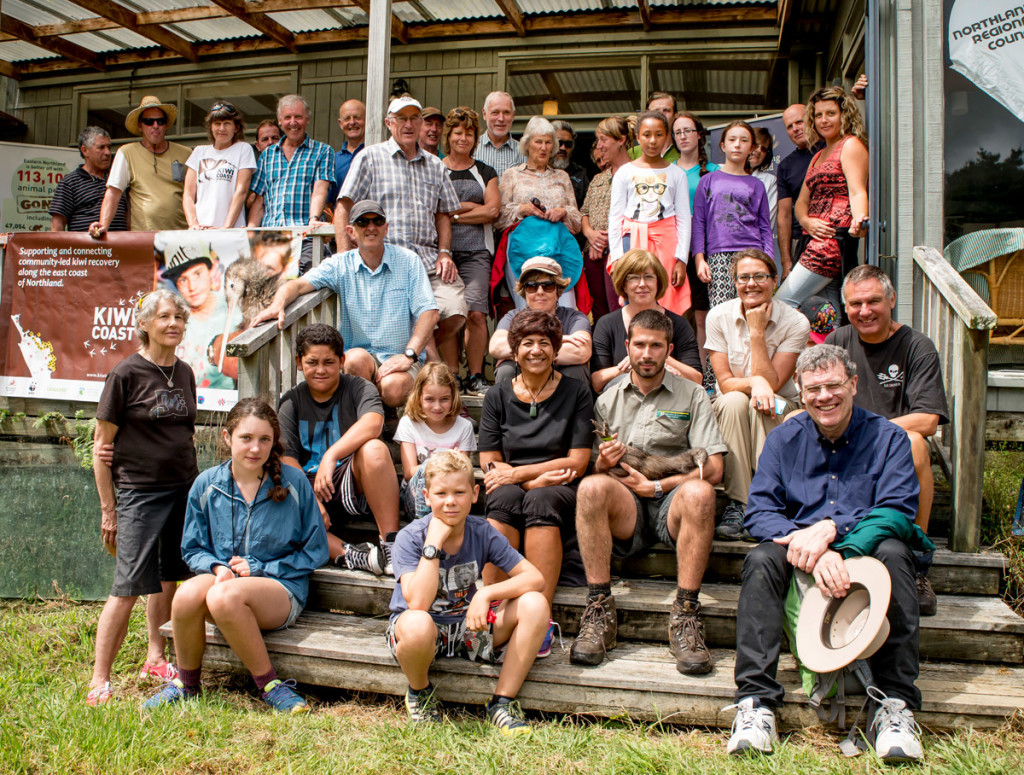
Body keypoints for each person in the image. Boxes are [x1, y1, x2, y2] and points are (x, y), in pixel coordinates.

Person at [727, 344, 925, 761]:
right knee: (762, 559)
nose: (824, 396)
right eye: (813, 388)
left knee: (895, 552)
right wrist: (812, 547)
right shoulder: (783, 439)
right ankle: (756, 704)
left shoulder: (888, 438)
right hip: (803, 549)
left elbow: (897, 509)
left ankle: (895, 704)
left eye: (834, 385)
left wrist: (835, 531)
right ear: (799, 390)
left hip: (867, 546)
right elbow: (760, 511)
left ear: (853, 385)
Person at [142, 399, 328, 714]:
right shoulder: (207, 484)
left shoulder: (294, 483)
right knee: (186, 595)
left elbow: (316, 550)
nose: (255, 448)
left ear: (274, 441)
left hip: (280, 590)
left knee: (224, 597)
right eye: (246, 438)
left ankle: (270, 685)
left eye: (264, 439)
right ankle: (187, 684)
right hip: (224, 584)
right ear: (228, 438)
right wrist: (215, 566)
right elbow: (192, 548)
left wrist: (261, 567)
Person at [570, 309, 726, 674]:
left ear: (669, 349)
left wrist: (657, 486)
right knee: (591, 487)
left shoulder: (692, 395)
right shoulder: (608, 399)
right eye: (639, 344)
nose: (647, 353)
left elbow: (714, 468)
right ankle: (598, 611)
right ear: (627, 346)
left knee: (702, 493)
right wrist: (605, 464)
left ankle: (686, 615)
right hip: (628, 509)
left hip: (674, 504)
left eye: (656, 346)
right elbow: (595, 469)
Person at [86, 290, 198, 706]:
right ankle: (100, 678)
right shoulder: (125, 375)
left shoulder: (185, 372)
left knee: (170, 576)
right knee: (127, 586)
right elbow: (101, 448)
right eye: (164, 317)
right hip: (139, 493)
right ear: (145, 324)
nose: (173, 323)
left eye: (179, 317)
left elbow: (183, 432)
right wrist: (108, 511)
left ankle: (156, 657)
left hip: (184, 488)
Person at [387, 450, 549, 734]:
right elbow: (418, 603)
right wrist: (433, 543)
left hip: (468, 629)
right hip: (423, 635)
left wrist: (486, 594)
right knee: (416, 623)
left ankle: (501, 703)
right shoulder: (410, 537)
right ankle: (420, 692)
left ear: (475, 494)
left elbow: (534, 578)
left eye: (459, 492)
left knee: (535, 604)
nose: (450, 501)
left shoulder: (482, 531)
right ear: (426, 496)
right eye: (441, 493)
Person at [825, 265, 949, 615]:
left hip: (889, 447)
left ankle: (917, 561)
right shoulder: (838, 341)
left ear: (891, 300)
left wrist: (868, 430)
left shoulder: (916, 346)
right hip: (842, 443)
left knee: (915, 443)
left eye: (873, 301)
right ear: (845, 306)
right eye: (855, 304)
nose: (864, 311)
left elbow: (928, 418)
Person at [253, 200, 439, 409]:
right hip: (362, 357)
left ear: (386, 228)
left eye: (377, 221)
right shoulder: (340, 264)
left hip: (401, 358)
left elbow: (429, 312)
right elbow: (296, 286)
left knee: (392, 387)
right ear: (351, 231)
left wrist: (409, 355)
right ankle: (372, 420)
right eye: (362, 222)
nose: (370, 227)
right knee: (354, 360)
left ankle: (377, 416)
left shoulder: (408, 261)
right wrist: (277, 305)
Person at [479, 310, 594, 616]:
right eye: (527, 343)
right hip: (520, 482)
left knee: (541, 500)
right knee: (502, 498)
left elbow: (577, 462)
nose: (536, 350)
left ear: (556, 351)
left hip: (560, 484)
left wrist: (519, 475)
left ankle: (539, 614)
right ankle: (494, 610)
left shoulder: (576, 392)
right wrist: (528, 481)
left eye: (544, 343)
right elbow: (490, 461)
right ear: (515, 352)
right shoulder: (497, 395)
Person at [336, 96, 464, 363]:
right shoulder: (370, 157)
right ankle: (429, 366)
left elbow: (443, 214)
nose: (408, 124)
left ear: (420, 123)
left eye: (414, 118)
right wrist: (344, 255)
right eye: (401, 119)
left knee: (456, 312)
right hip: (387, 263)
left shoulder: (435, 165)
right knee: (423, 319)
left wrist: (444, 252)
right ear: (388, 123)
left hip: (428, 261)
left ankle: (409, 353)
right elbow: (344, 206)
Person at [278, 324, 400, 575]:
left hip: (348, 479)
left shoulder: (358, 387)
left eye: (329, 362)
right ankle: (351, 555)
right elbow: (287, 458)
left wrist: (331, 455)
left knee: (375, 449)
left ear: (342, 360)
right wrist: (309, 499)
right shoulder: (290, 402)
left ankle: (391, 547)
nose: (320, 370)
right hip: (309, 487)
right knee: (277, 485)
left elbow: (373, 423)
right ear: (299, 362)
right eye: (312, 362)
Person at [704, 249, 809, 539]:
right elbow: (725, 382)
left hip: (780, 406)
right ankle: (741, 503)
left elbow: (774, 383)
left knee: (765, 403)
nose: (751, 284)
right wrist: (756, 384)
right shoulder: (718, 317)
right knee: (735, 400)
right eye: (744, 277)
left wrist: (757, 334)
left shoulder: (796, 322)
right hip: (734, 403)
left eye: (760, 276)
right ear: (735, 283)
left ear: (774, 281)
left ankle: (768, 499)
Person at [776, 86, 869, 313]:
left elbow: (857, 190)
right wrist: (807, 222)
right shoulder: (818, 155)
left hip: (831, 242)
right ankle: (833, 349)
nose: (823, 120)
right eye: (818, 115)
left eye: (830, 113)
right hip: (812, 239)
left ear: (844, 115)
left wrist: (859, 221)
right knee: (828, 311)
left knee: (781, 304)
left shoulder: (850, 145)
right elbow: (801, 203)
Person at [608, 111, 691, 316]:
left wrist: (681, 259)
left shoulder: (677, 173)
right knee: (634, 296)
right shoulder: (625, 172)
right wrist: (618, 256)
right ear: (637, 137)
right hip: (632, 240)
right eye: (646, 135)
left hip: (667, 242)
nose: (652, 141)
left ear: (666, 137)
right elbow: (615, 216)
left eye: (659, 134)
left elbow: (683, 218)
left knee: (666, 299)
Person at [441, 106, 499, 393]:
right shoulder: (436, 168)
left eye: (468, 133)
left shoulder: (485, 171)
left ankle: (476, 375)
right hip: (445, 252)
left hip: (478, 252)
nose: (462, 138)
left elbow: (492, 211)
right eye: (457, 133)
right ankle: (452, 377)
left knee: (476, 313)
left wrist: (451, 213)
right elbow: (432, 210)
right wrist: (466, 209)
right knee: (452, 314)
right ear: (448, 136)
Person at [496, 116, 583, 308]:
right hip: (522, 247)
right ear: (527, 144)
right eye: (538, 142)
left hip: (558, 247)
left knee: (565, 305)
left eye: (548, 142)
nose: (544, 147)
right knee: (528, 305)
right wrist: (523, 209)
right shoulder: (512, 175)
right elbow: (499, 217)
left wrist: (563, 212)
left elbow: (577, 222)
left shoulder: (562, 176)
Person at [591, 249, 702, 393]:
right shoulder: (607, 324)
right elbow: (597, 382)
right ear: (623, 284)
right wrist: (631, 364)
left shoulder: (678, 324)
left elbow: (697, 380)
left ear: (658, 282)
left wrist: (661, 359)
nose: (642, 284)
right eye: (634, 278)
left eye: (649, 277)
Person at [692, 121, 774, 310]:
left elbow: (764, 227)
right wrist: (699, 259)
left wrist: (768, 261)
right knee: (721, 313)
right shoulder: (707, 180)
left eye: (744, 140)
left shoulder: (756, 184)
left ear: (751, 147)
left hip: (753, 253)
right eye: (732, 139)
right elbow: (699, 222)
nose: (737, 144)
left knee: (753, 309)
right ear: (723, 145)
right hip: (719, 254)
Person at [248, 94, 334, 272]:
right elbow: (259, 200)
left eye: (298, 117)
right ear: (280, 121)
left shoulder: (322, 151)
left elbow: (320, 190)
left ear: (307, 119)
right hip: (270, 238)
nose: (293, 122)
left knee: (309, 282)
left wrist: (313, 220)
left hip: (305, 236)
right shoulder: (267, 155)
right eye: (287, 117)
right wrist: (250, 229)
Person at [89, 95, 190, 236]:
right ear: (140, 126)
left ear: (166, 124)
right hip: (144, 237)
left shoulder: (186, 153)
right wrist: (103, 224)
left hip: (181, 236)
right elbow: (113, 192)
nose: (155, 125)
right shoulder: (127, 152)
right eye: (149, 121)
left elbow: (196, 194)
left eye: (160, 121)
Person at [489, 256, 592, 386]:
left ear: (558, 290)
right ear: (524, 291)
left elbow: (581, 352)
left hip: (560, 380)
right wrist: (559, 341)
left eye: (547, 286)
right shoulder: (512, 317)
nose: (540, 292)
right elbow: (496, 347)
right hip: (524, 378)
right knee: (506, 370)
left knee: (575, 370)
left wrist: (523, 351)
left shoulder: (575, 318)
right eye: (532, 286)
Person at [396, 363, 477, 520]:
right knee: (427, 466)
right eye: (429, 399)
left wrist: (458, 462)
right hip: (414, 497)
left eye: (444, 399)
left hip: (449, 494)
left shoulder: (464, 427)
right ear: (418, 397)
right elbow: (408, 473)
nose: (437, 406)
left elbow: (465, 473)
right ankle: (425, 522)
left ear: (453, 397)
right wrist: (442, 460)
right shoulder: (409, 423)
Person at [673, 111, 719, 374]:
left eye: (688, 130)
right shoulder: (667, 170)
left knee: (702, 316)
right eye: (678, 132)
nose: (683, 137)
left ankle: (703, 375)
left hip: (704, 251)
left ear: (700, 135)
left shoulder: (714, 171)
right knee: (675, 315)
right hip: (674, 251)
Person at [160, 237, 238, 390]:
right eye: (183, 279)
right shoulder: (171, 319)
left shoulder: (235, 311)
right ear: (176, 284)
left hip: (225, 404)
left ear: (212, 270)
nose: (192, 286)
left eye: (197, 274)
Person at [581, 116, 633, 319]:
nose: (599, 146)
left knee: (619, 307)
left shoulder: (637, 173)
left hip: (621, 251)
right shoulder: (598, 178)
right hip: (592, 253)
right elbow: (584, 213)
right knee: (598, 310)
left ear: (621, 140)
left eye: (603, 139)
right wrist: (591, 236)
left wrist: (606, 242)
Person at [183, 101, 257, 229]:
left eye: (227, 123)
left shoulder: (243, 149)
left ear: (236, 127)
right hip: (201, 230)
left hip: (230, 231)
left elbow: (241, 191)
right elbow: (188, 194)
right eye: (217, 123)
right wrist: (193, 224)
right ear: (211, 127)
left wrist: (225, 228)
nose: (221, 128)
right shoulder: (199, 152)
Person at [49, 127, 128, 232]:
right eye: (101, 147)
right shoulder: (69, 183)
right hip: (86, 247)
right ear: (85, 150)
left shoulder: (117, 179)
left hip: (120, 246)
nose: (108, 152)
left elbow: (128, 216)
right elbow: (57, 225)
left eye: (109, 147)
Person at [775, 103, 817, 279]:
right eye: (789, 127)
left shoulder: (833, 149)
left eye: (799, 122)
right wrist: (786, 262)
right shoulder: (786, 165)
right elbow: (784, 215)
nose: (795, 129)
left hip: (834, 237)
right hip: (800, 243)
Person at [474, 90, 526, 178]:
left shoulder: (523, 152)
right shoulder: (472, 148)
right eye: (495, 112)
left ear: (513, 115)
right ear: (484, 114)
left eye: (506, 112)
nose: (501, 118)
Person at [749, 127, 779, 274]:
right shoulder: (719, 173)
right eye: (755, 144)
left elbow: (767, 222)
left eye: (764, 148)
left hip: (754, 251)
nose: (758, 150)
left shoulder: (769, 181)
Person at [628, 92, 680, 162]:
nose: (661, 114)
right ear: (646, 115)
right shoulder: (633, 153)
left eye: (666, 110)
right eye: (656, 111)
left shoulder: (683, 152)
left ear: (675, 115)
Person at [551, 120, 589, 208]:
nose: (563, 148)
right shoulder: (538, 170)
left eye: (568, 144)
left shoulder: (579, 175)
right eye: (559, 142)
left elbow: (586, 209)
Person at [334, 98, 366, 191]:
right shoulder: (333, 161)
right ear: (340, 123)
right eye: (347, 118)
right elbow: (328, 202)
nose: (352, 122)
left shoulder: (375, 155)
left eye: (357, 117)